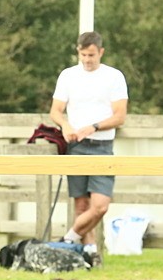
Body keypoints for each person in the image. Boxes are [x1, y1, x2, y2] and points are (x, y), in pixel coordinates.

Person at [49, 31, 129, 268]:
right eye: (83, 55)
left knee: (100, 205)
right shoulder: (68, 76)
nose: (87, 60)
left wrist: (93, 127)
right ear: (78, 52)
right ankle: (88, 254)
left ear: (100, 52)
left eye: (91, 55)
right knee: (81, 205)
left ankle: (67, 239)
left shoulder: (113, 77)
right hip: (76, 145)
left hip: (102, 145)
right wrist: (65, 125)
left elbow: (119, 116)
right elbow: (55, 110)